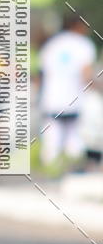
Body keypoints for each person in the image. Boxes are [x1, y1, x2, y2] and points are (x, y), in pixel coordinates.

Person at [38, 14, 96, 168]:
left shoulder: (53, 44)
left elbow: (42, 72)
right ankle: (72, 171)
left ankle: (51, 174)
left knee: (52, 140)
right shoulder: (83, 44)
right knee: (74, 139)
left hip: (51, 99)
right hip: (74, 100)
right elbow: (87, 75)